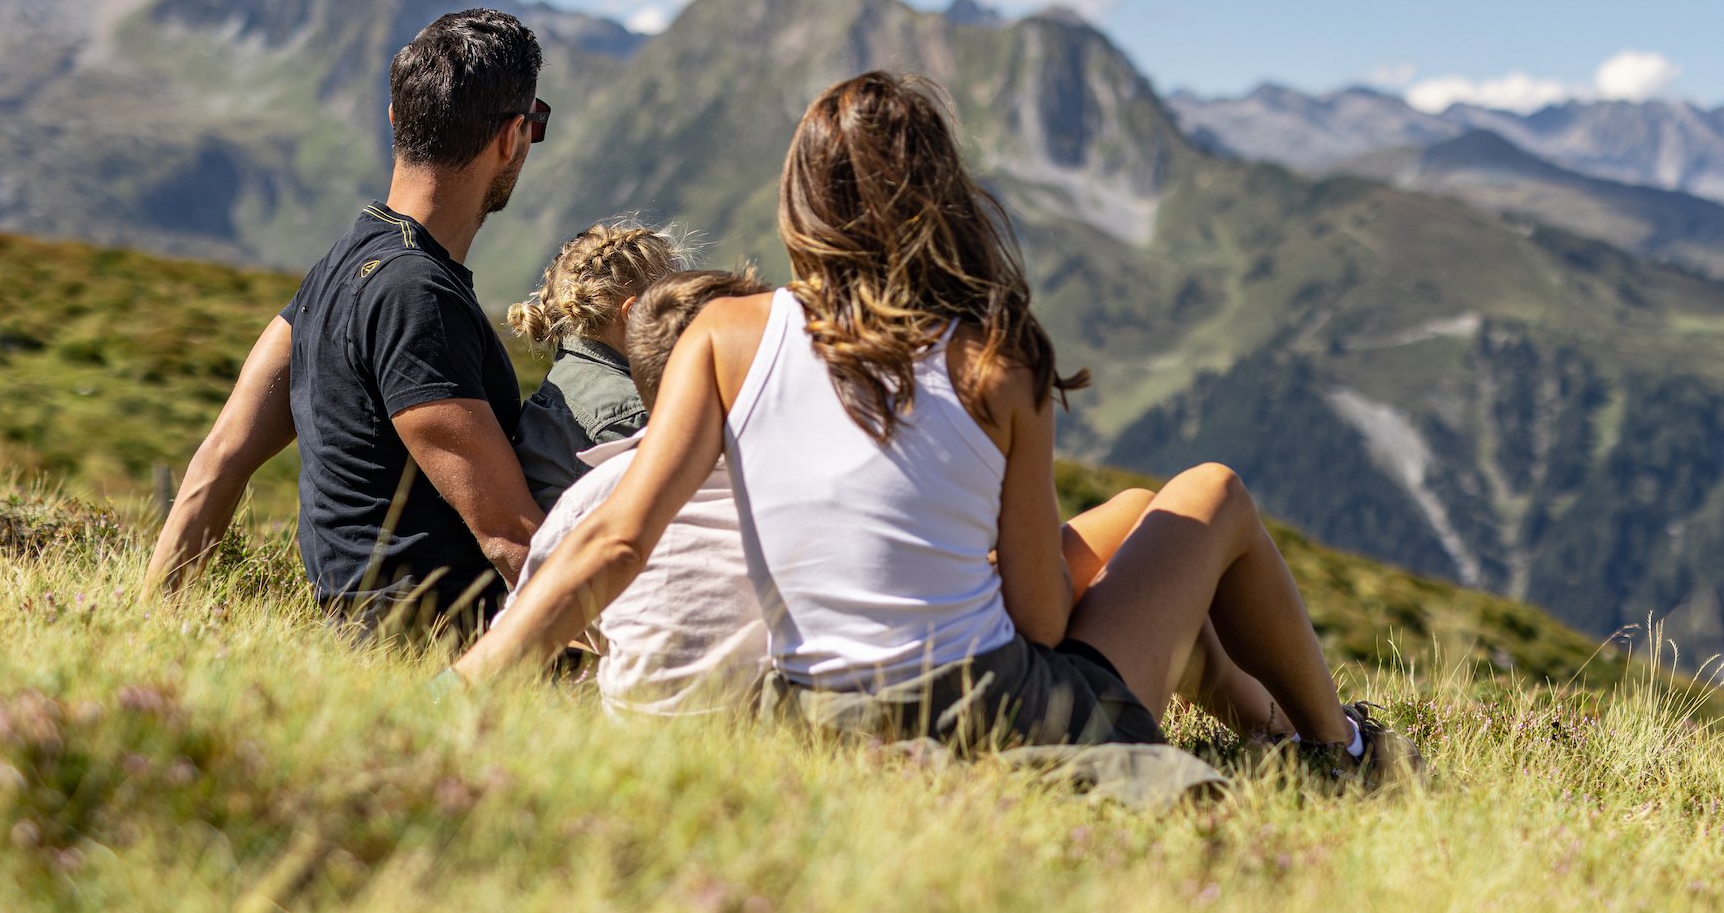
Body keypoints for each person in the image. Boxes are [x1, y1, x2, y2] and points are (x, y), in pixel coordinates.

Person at [464, 71, 1419, 787]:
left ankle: (1270, 729)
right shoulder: (1000, 361)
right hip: (992, 716)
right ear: (939, 197)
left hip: (813, 722)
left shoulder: (723, 335)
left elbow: (618, 537)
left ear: (801, 198)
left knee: (1136, 524)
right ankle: (1342, 749)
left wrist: (475, 679)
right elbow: (1042, 622)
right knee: (1209, 492)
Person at [143, 8, 562, 644]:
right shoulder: (415, 295)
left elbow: (220, 461)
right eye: (535, 124)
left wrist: (145, 626)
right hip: (443, 651)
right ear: (511, 138)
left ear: (396, 120)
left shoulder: (337, 269)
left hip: (362, 645)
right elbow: (510, 539)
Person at [510, 266, 774, 717]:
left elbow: (527, 627)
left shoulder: (591, 494)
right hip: (766, 724)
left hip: (635, 730)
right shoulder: (781, 481)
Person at [506, 220, 688, 464]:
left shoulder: (564, 381)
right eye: (677, 306)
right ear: (636, 313)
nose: (687, 322)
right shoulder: (631, 414)